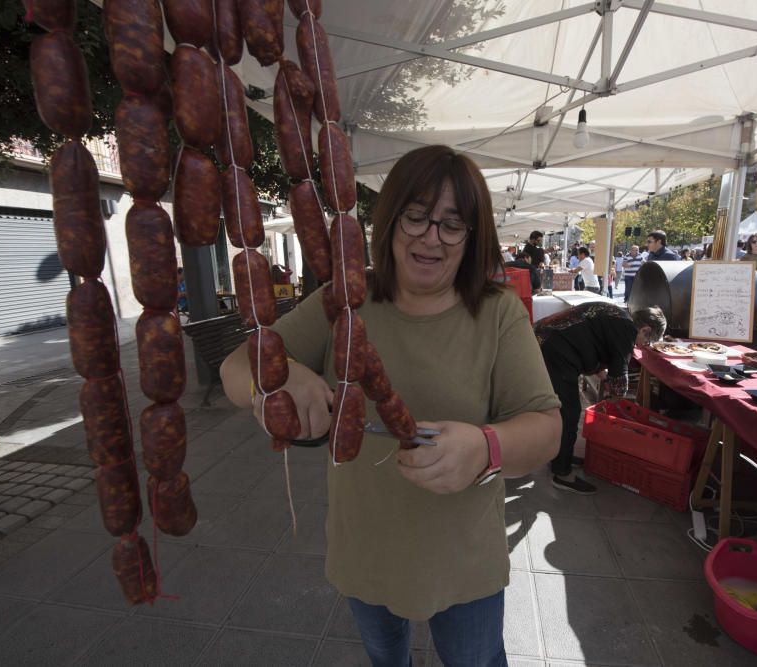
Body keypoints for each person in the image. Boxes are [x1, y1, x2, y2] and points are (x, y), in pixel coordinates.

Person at [220, 145, 562, 664]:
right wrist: (282, 378)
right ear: (391, 218)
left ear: (472, 236)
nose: (431, 237)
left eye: (452, 224)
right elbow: (233, 369)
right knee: (386, 658)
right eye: (417, 216)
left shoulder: (498, 315)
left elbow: (547, 428)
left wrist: (487, 447)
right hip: (366, 552)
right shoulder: (344, 301)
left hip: (464, 561)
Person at [534, 303, 667, 494]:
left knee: (564, 409)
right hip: (555, 349)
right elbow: (620, 378)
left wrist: (600, 372)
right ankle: (562, 473)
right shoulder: (627, 330)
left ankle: (561, 455)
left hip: (546, 338)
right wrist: (615, 401)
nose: (641, 346)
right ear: (645, 330)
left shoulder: (620, 316)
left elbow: (591, 337)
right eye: (646, 342)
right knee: (569, 413)